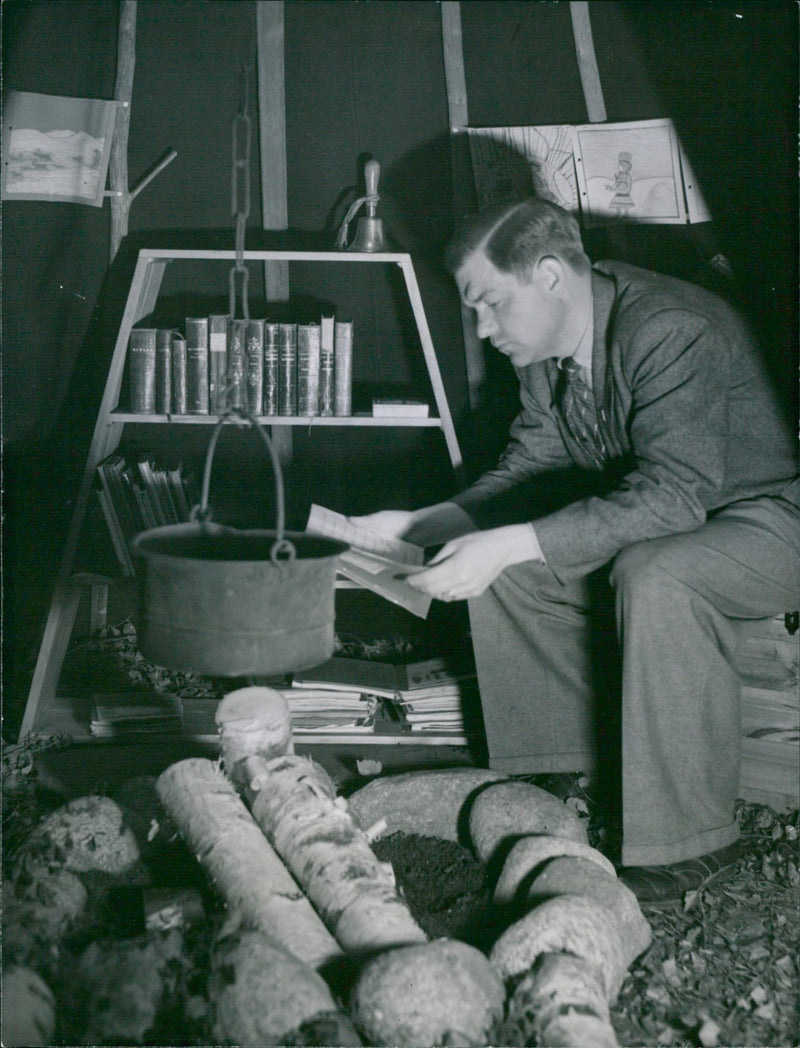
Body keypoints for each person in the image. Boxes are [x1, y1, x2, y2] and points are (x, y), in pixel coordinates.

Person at [350, 196, 799, 905]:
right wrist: (430, 519)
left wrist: (510, 540)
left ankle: (695, 842)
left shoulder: (669, 329)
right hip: (679, 515)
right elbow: (529, 464)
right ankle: (569, 778)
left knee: (655, 574)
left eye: (491, 304)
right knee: (503, 566)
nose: (483, 328)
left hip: (770, 517)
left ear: (552, 276)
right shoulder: (547, 351)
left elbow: (675, 497)